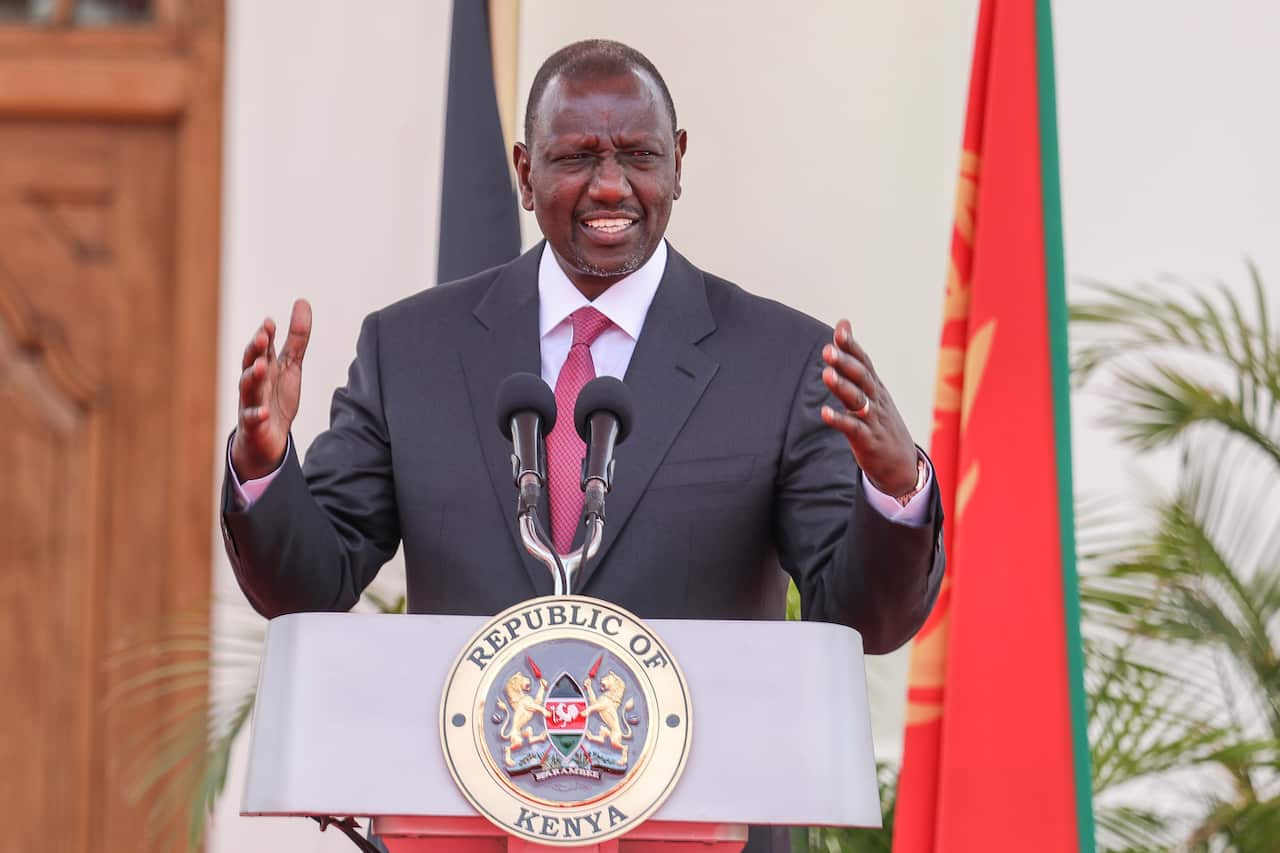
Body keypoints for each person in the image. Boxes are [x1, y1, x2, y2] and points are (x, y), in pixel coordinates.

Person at [221, 40, 943, 853]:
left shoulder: (779, 361)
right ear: (525, 174)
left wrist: (892, 487)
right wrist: (263, 466)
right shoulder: (410, 349)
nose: (610, 185)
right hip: (461, 828)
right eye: (576, 157)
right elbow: (311, 586)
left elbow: (859, 618)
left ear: (678, 161)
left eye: (637, 154)